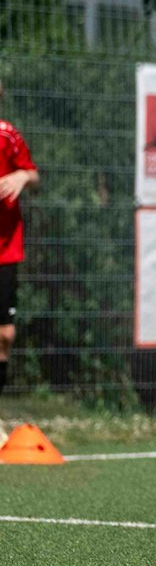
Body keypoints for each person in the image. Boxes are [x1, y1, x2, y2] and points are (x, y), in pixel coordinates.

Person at [0, 81, 38, 397]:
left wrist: (23, 176)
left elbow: (34, 175)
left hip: (5, 249)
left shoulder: (8, 136)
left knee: (5, 335)